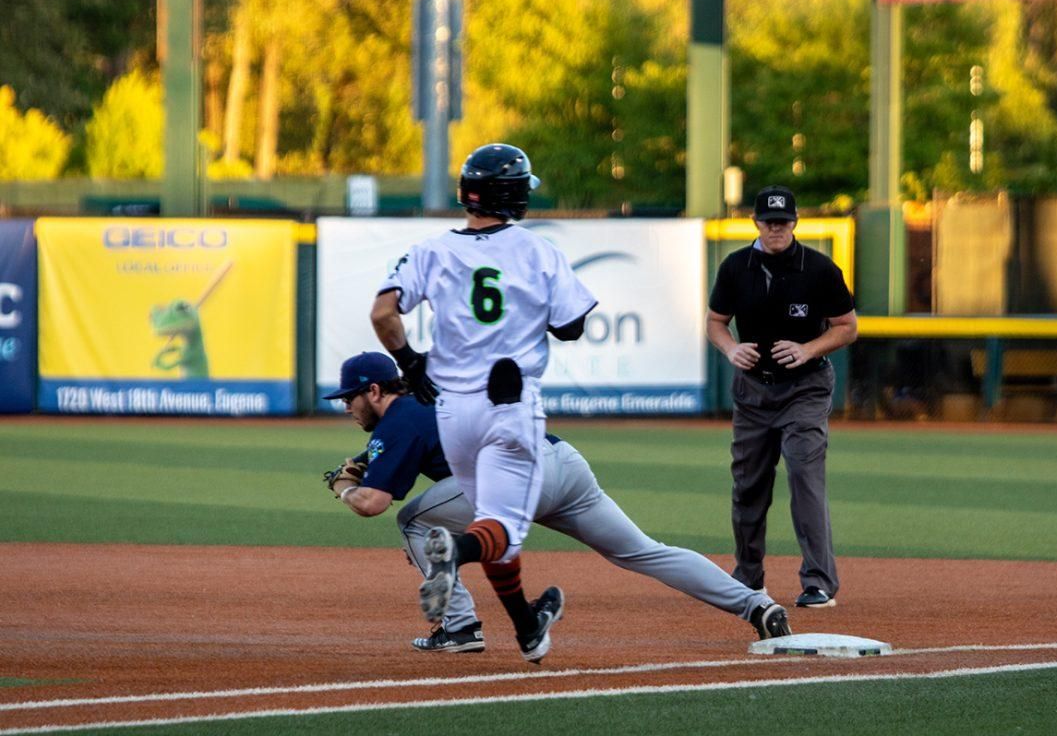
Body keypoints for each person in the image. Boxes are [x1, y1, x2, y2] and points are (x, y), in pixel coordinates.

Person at [322, 351, 792, 654]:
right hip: (561, 463)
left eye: (350, 398)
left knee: (411, 520)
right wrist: (368, 459)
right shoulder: (429, 397)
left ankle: (460, 628)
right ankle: (756, 606)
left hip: (510, 480)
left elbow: (372, 503)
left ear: (375, 391)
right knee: (642, 550)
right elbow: (420, 437)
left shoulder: (396, 421)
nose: (347, 407)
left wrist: (341, 487)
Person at [369, 144, 597, 663]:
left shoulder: (428, 249)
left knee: (492, 523)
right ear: (514, 195)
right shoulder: (536, 249)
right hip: (509, 407)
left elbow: (383, 314)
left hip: (451, 410)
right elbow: (572, 325)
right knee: (499, 531)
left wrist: (409, 361)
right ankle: (455, 552)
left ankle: (527, 628)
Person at [705, 185, 858, 609]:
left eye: (784, 221)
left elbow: (847, 326)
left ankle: (819, 581)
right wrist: (731, 348)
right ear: (755, 222)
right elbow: (716, 322)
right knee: (748, 485)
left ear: (794, 223)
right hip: (753, 390)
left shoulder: (819, 268)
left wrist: (808, 349)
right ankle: (749, 578)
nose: (776, 228)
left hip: (805, 387)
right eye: (769, 221)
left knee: (804, 477)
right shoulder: (736, 267)